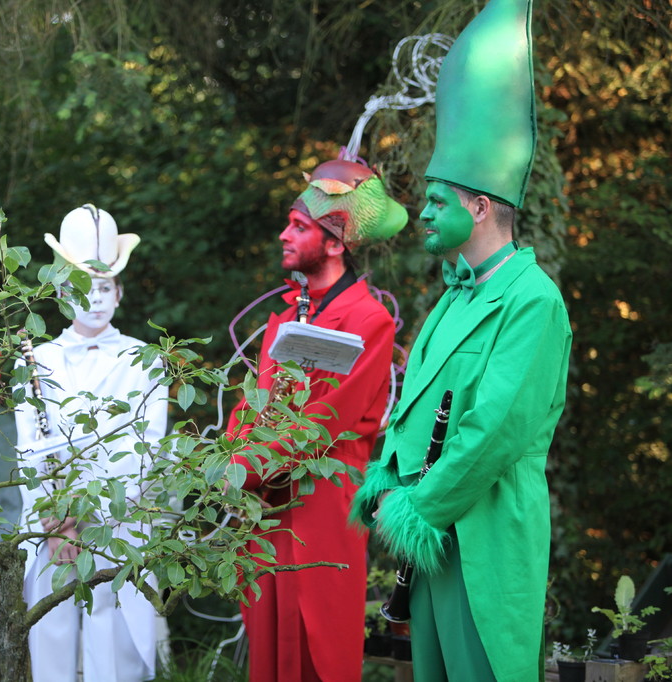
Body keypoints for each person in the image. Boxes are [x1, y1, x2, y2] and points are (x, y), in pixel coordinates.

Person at [350, 1, 573, 680]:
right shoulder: (452, 293)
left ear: (480, 205)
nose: (421, 211)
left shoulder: (532, 302)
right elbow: (414, 410)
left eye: (438, 200)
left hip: (482, 542)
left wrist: (417, 507)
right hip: (429, 547)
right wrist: (387, 484)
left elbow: (492, 431)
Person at [226, 160, 407, 682]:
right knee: (267, 649)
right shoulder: (284, 317)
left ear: (335, 243)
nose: (284, 235)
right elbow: (252, 406)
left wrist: (237, 469)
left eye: (299, 227)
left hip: (322, 509)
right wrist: (224, 459)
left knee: (318, 651)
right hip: (264, 509)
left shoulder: (368, 320)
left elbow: (325, 423)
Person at [14, 204, 168, 682]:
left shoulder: (145, 360)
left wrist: (96, 519)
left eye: (105, 288)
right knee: (52, 632)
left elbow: (149, 444)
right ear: (61, 293)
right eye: (84, 289)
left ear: (119, 293)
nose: (96, 299)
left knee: (114, 634)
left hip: (119, 521)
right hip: (52, 525)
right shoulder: (37, 358)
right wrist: (57, 520)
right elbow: (29, 445)